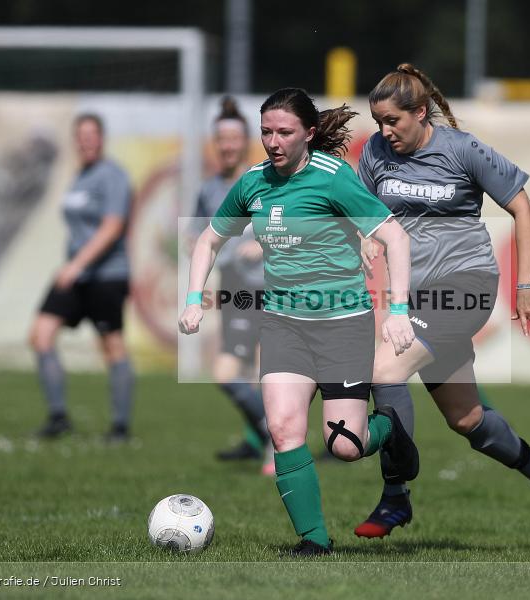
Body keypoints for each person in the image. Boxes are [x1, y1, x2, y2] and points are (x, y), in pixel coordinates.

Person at [179, 88, 418, 556]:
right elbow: (209, 240)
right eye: (266, 131)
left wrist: (399, 311)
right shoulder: (252, 183)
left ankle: (391, 431)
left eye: (284, 132)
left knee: (345, 446)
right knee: (284, 427)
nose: (273, 141)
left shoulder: (334, 178)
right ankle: (314, 542)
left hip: (343, 325)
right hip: (284, 325)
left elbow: (395, 236)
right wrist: (193, 299)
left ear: (308, 134)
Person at [353, 64, 530, 539]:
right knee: (467, 419)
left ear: (420, 112)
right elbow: (364, 215)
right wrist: (365, 238)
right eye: (378, 122)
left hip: (467, 286)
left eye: (393, 120)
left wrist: (526, 284)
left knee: (385, 370)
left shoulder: (462, 149)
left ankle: (395, 497)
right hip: (416, 296)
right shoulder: (375, 153)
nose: (384, 131)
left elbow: (522, 207)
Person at [30, 113, 135, 442]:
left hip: (107, 275)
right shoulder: (79, 177)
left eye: (92, 135)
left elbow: (112, 227)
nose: (87, 141)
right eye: (81, 135)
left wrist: (77, 265)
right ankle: (58, 416)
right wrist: (74, 267)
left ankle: (120, 427)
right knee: (40, 334)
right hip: (77, 275)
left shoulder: (113, 176)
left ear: (101, 139)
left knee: (111, 345)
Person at [194, 96, 272, 473]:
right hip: (234, 293)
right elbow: (197, 236)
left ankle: (273, 442)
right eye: (220, 139)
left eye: (233, 139)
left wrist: (264, 242)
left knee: (262, 375)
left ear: (245, 142)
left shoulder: (265, 180)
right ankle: (269, 438)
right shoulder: (208, 189)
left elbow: (290, 224)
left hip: (271, 289)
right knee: (234, 374)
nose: (227, 146)